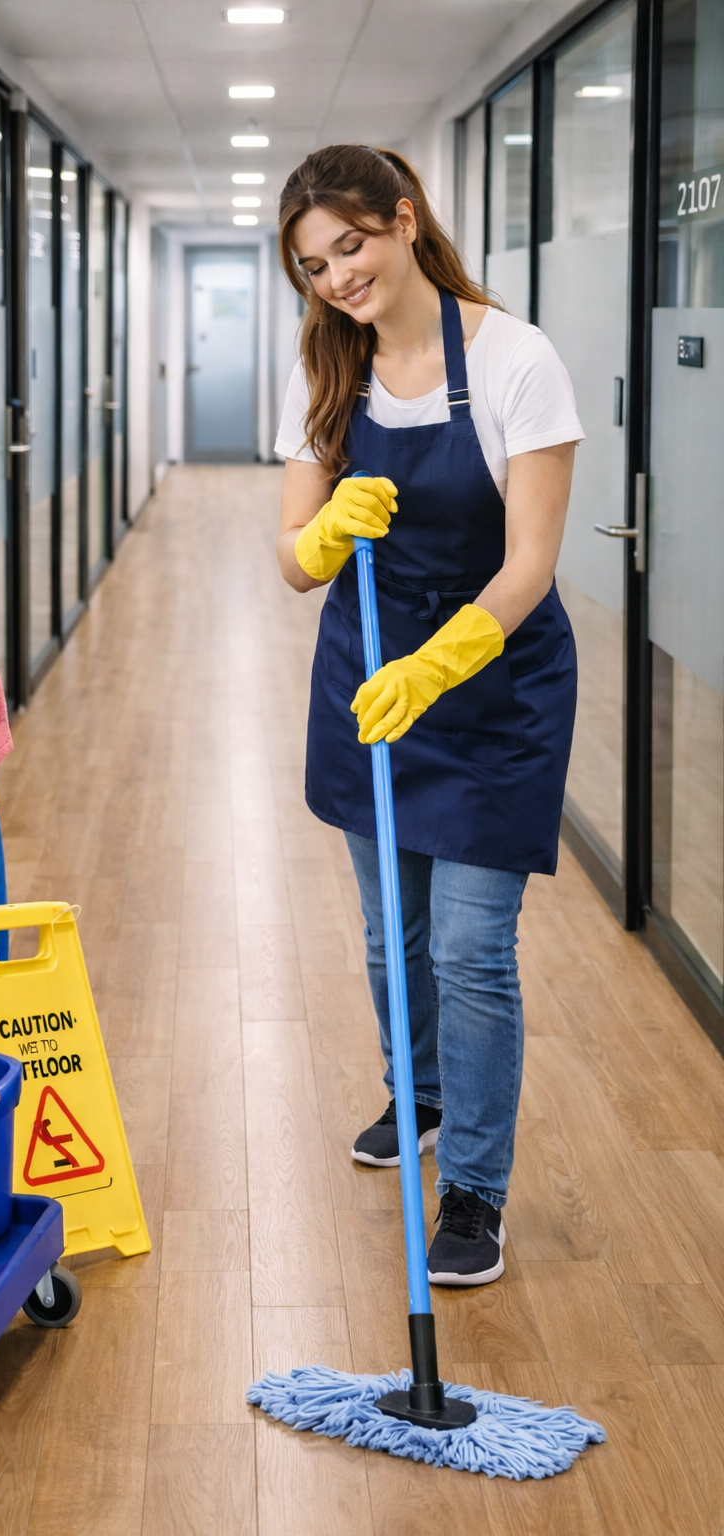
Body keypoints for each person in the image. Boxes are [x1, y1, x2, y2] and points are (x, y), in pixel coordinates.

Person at [275, 145, 583, 1286]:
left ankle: (474, 1192)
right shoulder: (325, 367)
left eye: (349, 246)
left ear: (403, 222)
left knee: (469, 948)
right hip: (368, 677)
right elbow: (292, 562)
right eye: (313, 265)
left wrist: (440, 662)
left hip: (491, 688)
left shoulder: (514, 356)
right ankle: (422, 1095)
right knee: (391, 931)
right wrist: (318, 537)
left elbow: (530, 566)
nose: (336, 277)